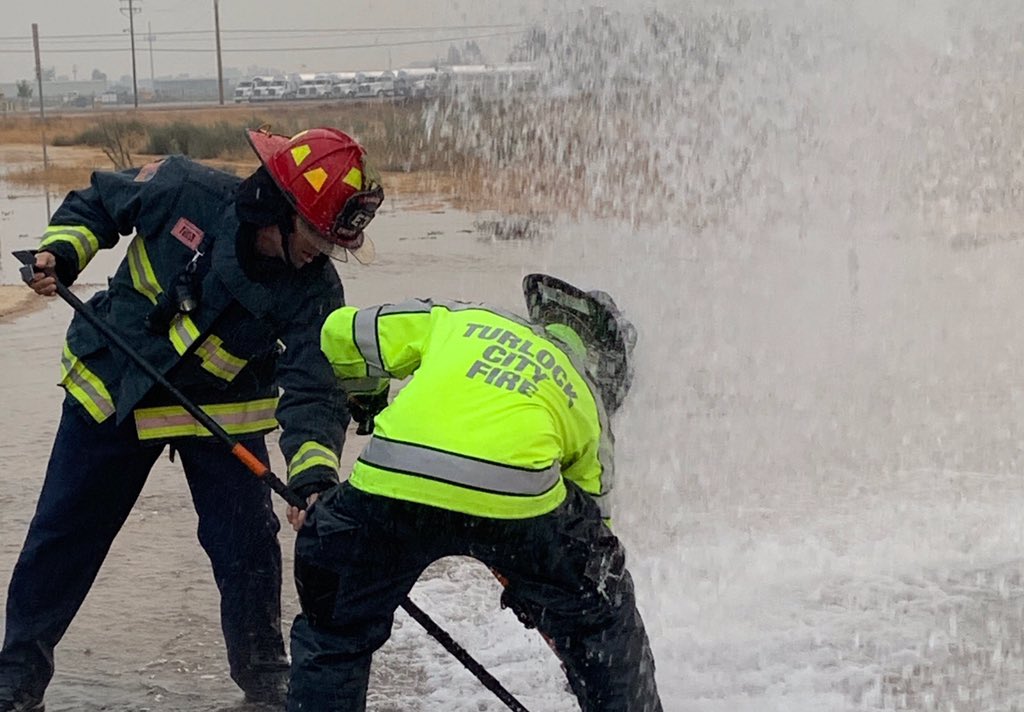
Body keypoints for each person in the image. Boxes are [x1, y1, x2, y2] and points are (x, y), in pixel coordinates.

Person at [0, 126, 385, 711]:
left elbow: (314, 389)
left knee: (250, 551)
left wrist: (312, 479)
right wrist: (64, 253)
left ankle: (265, 684)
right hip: (116, 389)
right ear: (278, 209)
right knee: (62, 539)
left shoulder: (315, 290)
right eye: (315, 234)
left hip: (218, 416)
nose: (321, 250)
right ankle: (16, 681)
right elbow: (100, 202)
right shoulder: (183, 187)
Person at [285, 273, 663, 711]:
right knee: (601, 616)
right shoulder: (589, 402)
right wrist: (543, 592)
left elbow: (339, 333)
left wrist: (368, 397)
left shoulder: (459, 318)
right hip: (518, 501)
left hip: (394, 477)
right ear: (601, 357)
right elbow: (590, 534)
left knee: (335, 630)